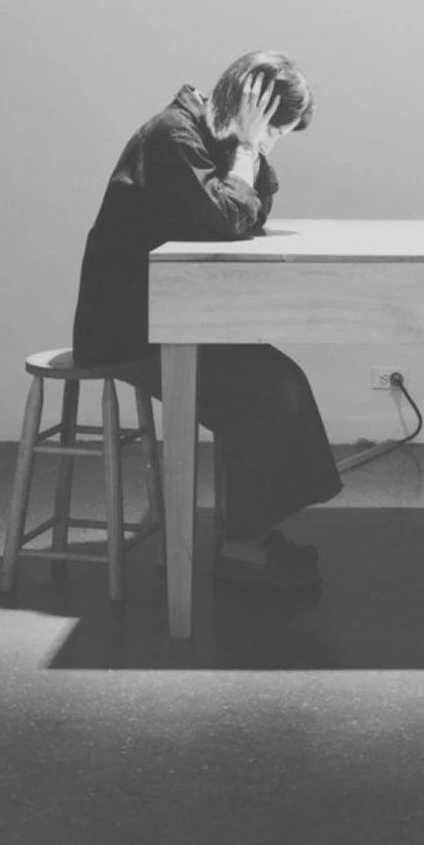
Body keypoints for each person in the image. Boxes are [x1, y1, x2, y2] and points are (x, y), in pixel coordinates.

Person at [71, 51, 339, 594]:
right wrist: (245, 148)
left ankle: (249, 531)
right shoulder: (174, 137)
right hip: (129, 332)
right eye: (273, 130)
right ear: (252, 107)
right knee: (268, 392)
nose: (270, 144)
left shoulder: (203, 138)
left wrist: (249, 152)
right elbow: (226, 220)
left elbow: (251, 210)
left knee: (279, 380)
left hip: (175, 320)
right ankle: (243, 545)